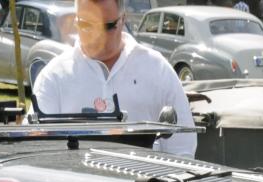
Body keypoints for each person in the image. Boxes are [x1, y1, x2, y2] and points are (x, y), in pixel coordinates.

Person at [33, 0, 197, 157]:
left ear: (123, 19)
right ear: (76, 21)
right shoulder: (54, 76)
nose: (97, 36)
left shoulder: (157, 69)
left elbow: (182, 149)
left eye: (107, 26)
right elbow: (36, 151)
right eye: (87, 25)